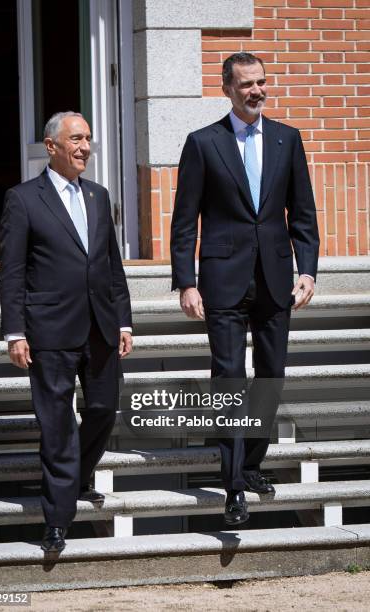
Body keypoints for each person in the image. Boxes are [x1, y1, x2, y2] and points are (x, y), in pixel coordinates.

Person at [171, 53, 319, 526]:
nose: (256, 91)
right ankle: (233, 482)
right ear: (227, 89)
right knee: (230, 377)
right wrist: (186, 282)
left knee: (271, 375)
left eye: (261, 82)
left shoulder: (287, 138)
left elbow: (303, 214)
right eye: (246, 84)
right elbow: (183, 220)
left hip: (276, 278)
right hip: (223, 280)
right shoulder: (203, 143)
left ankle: (252, 463)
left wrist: (308, 270)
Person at [0, 111, 132, 552]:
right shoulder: (23, 199)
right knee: (56, 425)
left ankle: (75, 478)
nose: (85, 147)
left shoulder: (97, 194)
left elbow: (111, 264)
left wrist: (125, 320)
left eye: (89, 139)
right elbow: (12, 271)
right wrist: (14, 332)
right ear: (51, 146)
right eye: (76, 139)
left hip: (101, 327)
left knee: (102, 410)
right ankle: (57, 518)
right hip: (49, 330)